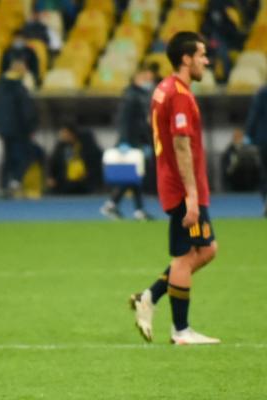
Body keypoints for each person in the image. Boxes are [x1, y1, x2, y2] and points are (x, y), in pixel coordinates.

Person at [129, 32, 220, 345]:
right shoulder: (179, 94)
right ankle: (181, 331)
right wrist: (192, 195)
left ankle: (149, 297)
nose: (206, 61)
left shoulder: (164, 88)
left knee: (206, 249)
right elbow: (181, 144)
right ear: (186, 58)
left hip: (175, 181)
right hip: (183, 186)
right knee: (185, 255)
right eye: (202, 55)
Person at [100, 65, 156, 221]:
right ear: (137, 77)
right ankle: (118, 205)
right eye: (146, 78)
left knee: (134, 175)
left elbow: (141, 122)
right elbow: (124, 120)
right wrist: (124, 141)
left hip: (137, 140)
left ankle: (129, 208)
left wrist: (145, 141)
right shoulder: (131, 96)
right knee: (131, 175)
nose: (149, 81)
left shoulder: (141, 94)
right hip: (130, 142)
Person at [0, 57, 39, 196]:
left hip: (4, 129)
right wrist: (31, 127)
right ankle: (15, 181)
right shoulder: (19, 87)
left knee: (8, 157)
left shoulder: (0, 86)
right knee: (25, 155)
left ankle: (4, 185)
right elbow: (26, 110)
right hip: (20, 129)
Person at [48, 122, 98, 194]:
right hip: (64, 185)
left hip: (84, 185)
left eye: (65, 132)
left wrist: (89, 176)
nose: (62, 135)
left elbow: (94, 164)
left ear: (72, 133)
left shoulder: (86, 146)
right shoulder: (60, 148)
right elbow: (53, 163)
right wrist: (51, 177)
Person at [245, 84, 267, 216]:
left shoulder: (262, 93)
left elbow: (254, 115)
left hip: (264, 140)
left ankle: (266, 200)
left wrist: (249, 134)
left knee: (265, 172)